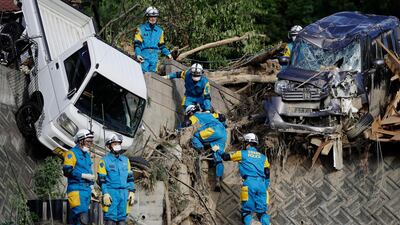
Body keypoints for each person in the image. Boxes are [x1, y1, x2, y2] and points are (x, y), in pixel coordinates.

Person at [222, 133, 270, 225]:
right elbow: (267, 173)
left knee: (246, 213)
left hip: (250, 183)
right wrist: (265, 186)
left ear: (247, 143)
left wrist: (218, 151)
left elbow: (226, 157)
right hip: (262, 185)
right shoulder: (264, 158)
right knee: (262, 213)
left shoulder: (242, 154)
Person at [184, 104, 227, 191]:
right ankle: (218, 180)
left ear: (191, 112)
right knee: (218, 156)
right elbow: (222, 117)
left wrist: (184, 125)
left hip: (213, 131)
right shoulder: (207, 114)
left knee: (194, 136)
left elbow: (188, 123)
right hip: (223, 133)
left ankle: (203, 152)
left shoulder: (195, 116)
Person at [98, 133, 135, 225]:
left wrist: (132, 191)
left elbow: (130, 178)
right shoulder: (104, 160)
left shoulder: (126, 160)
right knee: (110, 221)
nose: (117, 146)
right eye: (114, 144)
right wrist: (105, 193)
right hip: (111, 193)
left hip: (124, 194)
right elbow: (102, 180)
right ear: (109, 146)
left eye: (118, 143)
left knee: (122, 221)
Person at [63, 129, 95, 225]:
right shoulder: (71, 153)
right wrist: (82, 175)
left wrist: (92, 187)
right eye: (87, 141)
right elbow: (67, 170)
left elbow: (89, 172)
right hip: (76, 189)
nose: (89, 144)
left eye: (91, 142)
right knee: (82, 218)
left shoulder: (87, 156)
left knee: (79, 221)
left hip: (86, 190)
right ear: (80, 141)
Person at [134, 6, 172, 73]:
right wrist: (138, 54)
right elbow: (137, 44)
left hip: (154, 56)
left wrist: (168, 53)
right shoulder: (141, 29)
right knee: (142, 74)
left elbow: (161, 46)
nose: (153, 18)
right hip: (144, 56)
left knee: (152, 76)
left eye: (155, 16)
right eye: (151, 16)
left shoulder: (160, 31)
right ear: (147, 17)